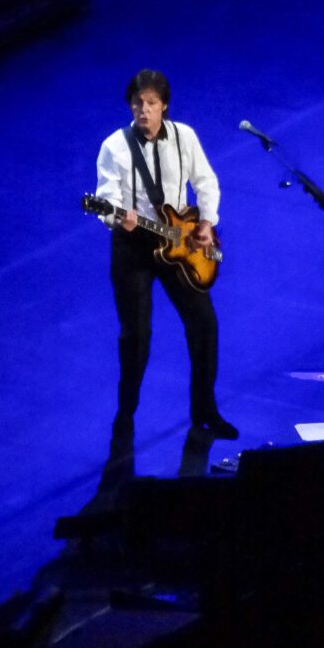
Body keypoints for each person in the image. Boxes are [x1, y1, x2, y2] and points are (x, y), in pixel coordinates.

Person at [95, 68, 238, 443]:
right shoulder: (114, 146)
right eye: (137, 103)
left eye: (151, 103)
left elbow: (206, 181)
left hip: (179, 242)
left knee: (204, 324)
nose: (143, 110)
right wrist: (117, 216)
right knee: (137, 336)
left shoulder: (184, 136)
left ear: (164, 106)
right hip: (133, 247)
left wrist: (206, 222)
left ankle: (205, 411)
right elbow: (106, 200)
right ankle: (125, 415)